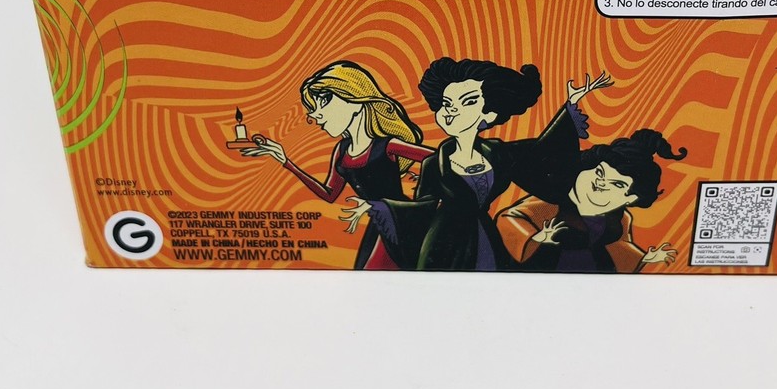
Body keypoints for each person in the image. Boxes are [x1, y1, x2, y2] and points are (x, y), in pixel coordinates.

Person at [342, 58, 612, 271]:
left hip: (485, 235)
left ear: (489, 113)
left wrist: (571, 104)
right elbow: (423, 207)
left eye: (467, 102)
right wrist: (379, 206)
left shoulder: (497, 153)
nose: (451, 110)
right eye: (446, 103)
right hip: (444, 242)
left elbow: (542, 152)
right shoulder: (435, 163)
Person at [240, 61, 431, 269]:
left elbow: (442, 158)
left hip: (398, 223)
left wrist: (429, 177)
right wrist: (285, 161)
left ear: (355, 102)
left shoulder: (387, 145)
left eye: (325, 101)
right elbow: (329, 194)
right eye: (314, 107)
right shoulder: (342, 149)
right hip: (377, 227)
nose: (315, 115)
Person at [496, 129, 686, 273]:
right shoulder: (552, 201)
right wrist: (537, 238)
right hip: (542, 271)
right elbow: (510, 218)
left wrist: (645, 258)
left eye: (616, 184)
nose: (600, 183)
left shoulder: (621, 218)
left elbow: (620, 248)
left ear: (631, 198)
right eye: (599, 172)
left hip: (594, 274)